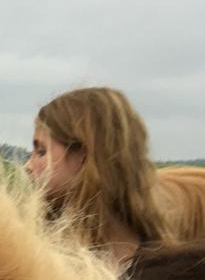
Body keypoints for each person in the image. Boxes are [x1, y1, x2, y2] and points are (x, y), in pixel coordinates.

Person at [26, 86, 164, 268]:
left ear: (84, 156)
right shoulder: (30, 259)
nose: (27, 166)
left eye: (41, 151)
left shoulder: (163, 274)